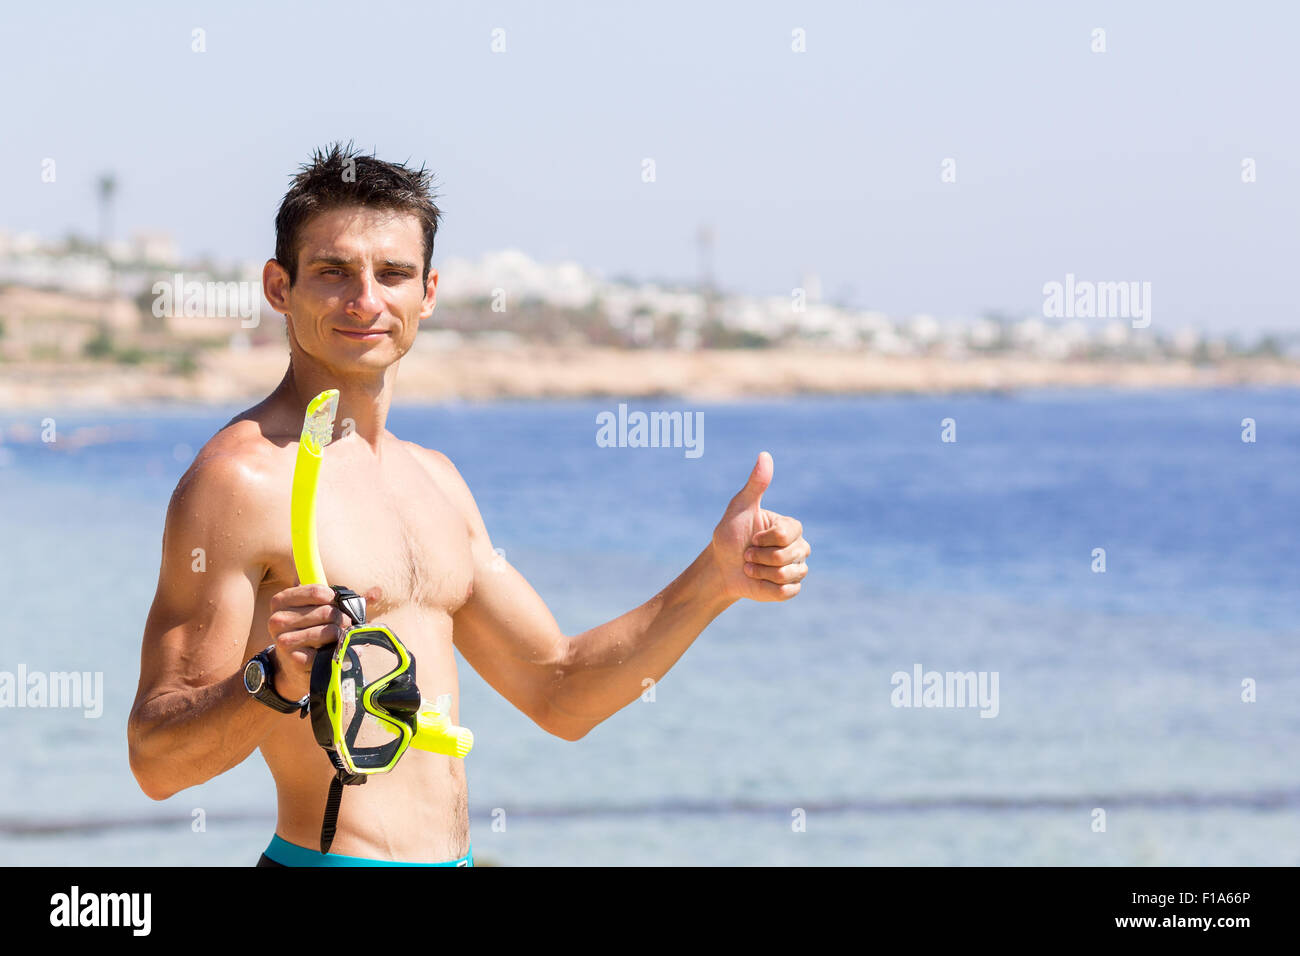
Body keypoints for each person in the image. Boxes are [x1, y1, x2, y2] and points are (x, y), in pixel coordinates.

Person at [127, 143, 811, 866]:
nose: (366, 300)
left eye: (392, 274)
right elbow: (157, 761)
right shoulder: (243, 480)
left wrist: (716, 578)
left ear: (427, 293)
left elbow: (560, 688)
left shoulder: (437, 482)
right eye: (332, 273)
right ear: (278, 286)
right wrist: (274, 679)